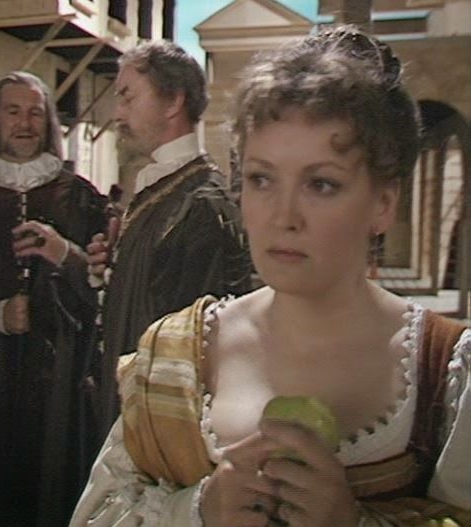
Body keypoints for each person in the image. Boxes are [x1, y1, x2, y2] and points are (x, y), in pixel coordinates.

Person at [70, 26, 470, 526]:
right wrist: (198, 510)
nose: (283, 216)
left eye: (321, 184)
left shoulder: (447, 371)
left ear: (383, 203)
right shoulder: (172, 353)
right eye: (261, 179)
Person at [0, 71, 108, 526]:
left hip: (64, 393)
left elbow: (109, 291)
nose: (25, 123)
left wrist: (68, 258)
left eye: (35, 113)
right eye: (13, 111)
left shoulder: (84, 200)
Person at [87, 40, 251, 438]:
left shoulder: (200, 203)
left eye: (128, 97)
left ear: (173, 101)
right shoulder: (165, 189)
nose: (118, 113)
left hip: (163, 432)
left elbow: (190, 354)